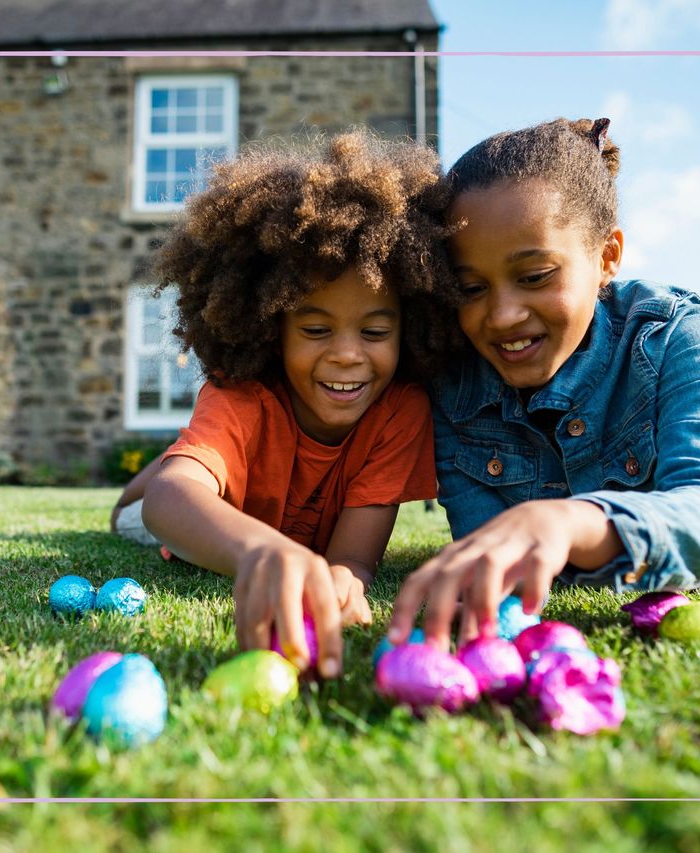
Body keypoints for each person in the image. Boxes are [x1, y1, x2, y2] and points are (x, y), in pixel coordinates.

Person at [387, 117, 700, 650]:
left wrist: (575, 522)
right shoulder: (453, 383)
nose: (503, 315)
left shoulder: (681, 338)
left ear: (606, 257)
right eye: (471, 287)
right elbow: (491, 555)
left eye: (535, 277)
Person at [112, 131, 460, 679]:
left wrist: (345, 579)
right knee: (138, 507)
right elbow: (167, 504)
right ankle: (184, 457)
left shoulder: (401, 411)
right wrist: (257, 550)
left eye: (374, 330)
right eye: (316, 328)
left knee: (195, 463)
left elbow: (354, 558)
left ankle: (196, 454)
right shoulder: (242, 394)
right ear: (271, 329)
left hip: (253, 494)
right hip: (200, 518)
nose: (347, 356)